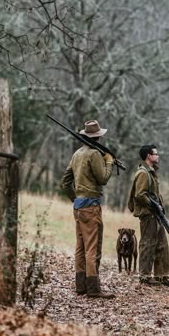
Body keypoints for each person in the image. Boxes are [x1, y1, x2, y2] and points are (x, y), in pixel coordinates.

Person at [61, 119, 115, 299]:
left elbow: (65, 182)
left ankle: (80, 286)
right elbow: (103, 179)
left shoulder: (77, 154)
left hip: (78, 206)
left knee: (80, 247)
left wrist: (75, 199)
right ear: (98, 137)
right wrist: (108, 162)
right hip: (91, 206)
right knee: (92, 248)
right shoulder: (94, 155)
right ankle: (93, 289)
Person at [127, 144, 169, 286]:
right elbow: (140, 195)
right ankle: (145, 276)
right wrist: (153, 205)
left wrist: (159, 206)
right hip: (148, 214)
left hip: (156, 215)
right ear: (149, 156)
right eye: (156, 153)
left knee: (162, 244)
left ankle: (162, 275)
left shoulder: (151, 171)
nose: (158, 156)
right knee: (147, 244)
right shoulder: (143, 173)